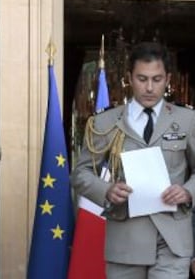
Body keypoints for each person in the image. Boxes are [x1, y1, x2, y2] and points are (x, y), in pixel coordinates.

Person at [71, 41, 195, 279]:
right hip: (126, 240)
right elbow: (81, 173)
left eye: (157, 79)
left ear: (168, 79)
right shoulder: (104, 122)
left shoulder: (188, 119)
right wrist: (106, 190)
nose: (149, 87)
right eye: (142, 78)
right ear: (129, 78)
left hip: (172, 241)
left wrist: (187, 191)